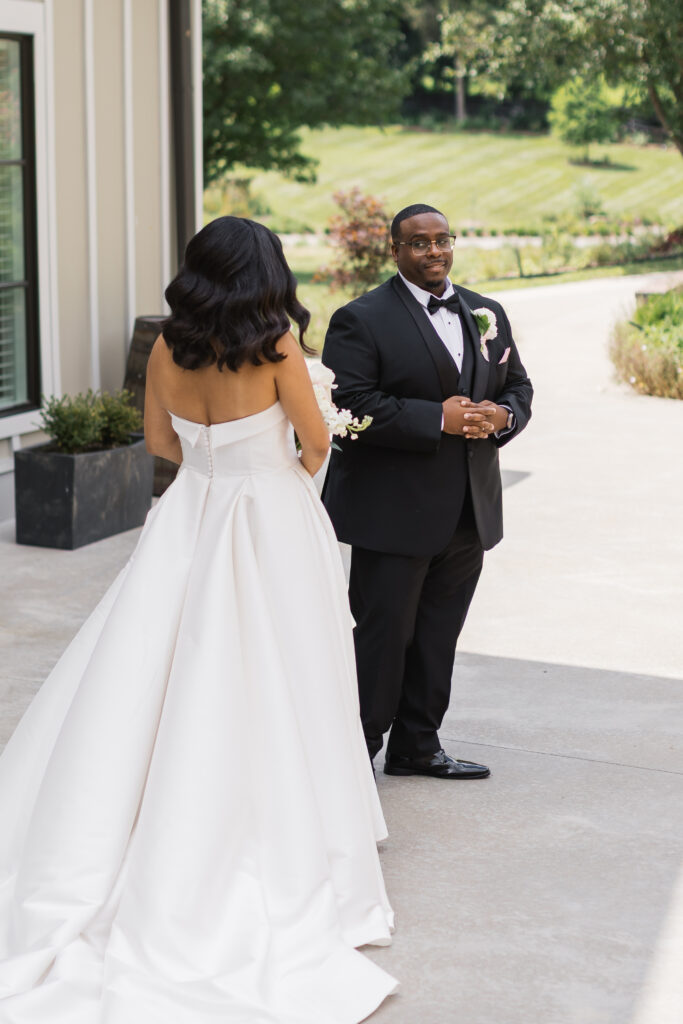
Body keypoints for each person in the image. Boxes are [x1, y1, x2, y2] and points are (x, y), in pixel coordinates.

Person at [0, 217, 397, 1023]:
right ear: (265, 274)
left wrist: (214, 459)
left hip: (189, 515)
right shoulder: (278, 344)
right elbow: (316, 446)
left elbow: (160, 445)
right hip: (270, 515)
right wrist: (272, 463)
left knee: (158, 667)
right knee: (289, 670)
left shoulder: (163, 348)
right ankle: (286, 830)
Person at [322, 203, 533, 779]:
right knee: (384, 636)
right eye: (419, 243)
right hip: (393, 512)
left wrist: (503, 417)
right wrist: (431, 419)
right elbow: (348, 406)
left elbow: (518, 385)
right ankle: (353, 753)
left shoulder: (485, 311)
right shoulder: (360, 319)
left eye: (443, 240)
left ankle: (418, 745)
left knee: (439, 634)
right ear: (395, 251)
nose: (434, 251)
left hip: (469, 508)